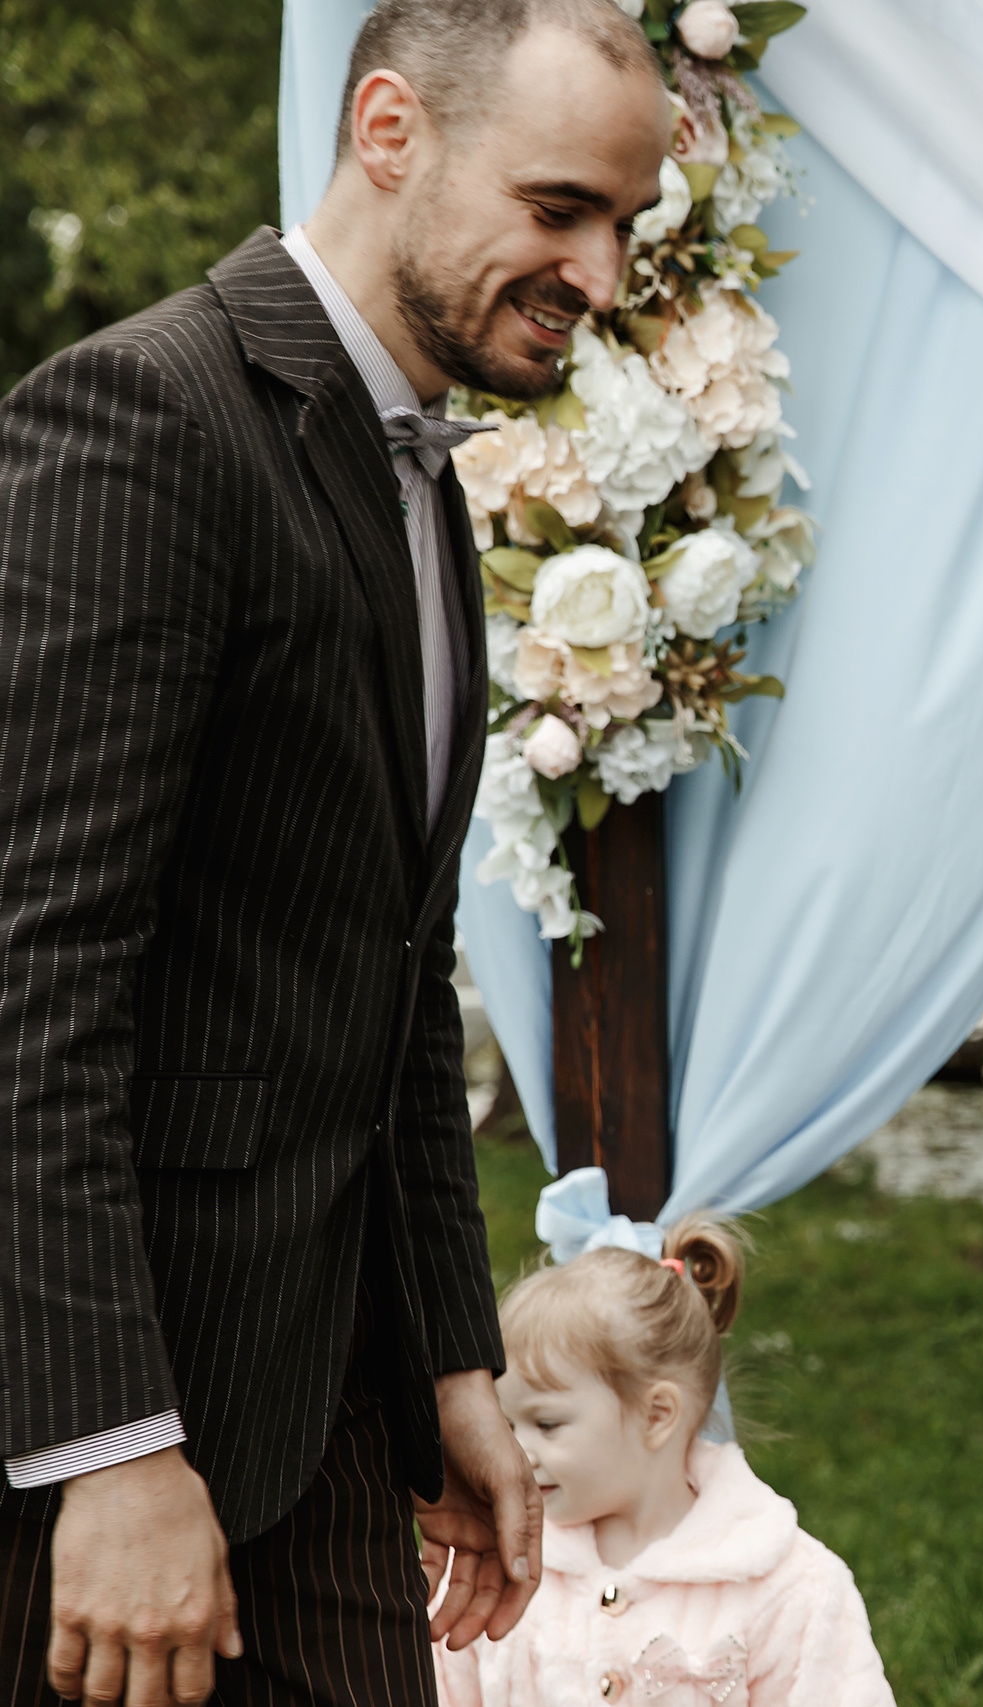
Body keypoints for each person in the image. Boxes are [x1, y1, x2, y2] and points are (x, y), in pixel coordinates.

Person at [0, 2, 672, 1702]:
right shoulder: (144, 420)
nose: (599, 272)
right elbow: (33, 981)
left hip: (327, 1414)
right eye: (559, 208)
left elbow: (387, 971)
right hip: (122, 1441)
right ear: (390, 130)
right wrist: (108, 1443)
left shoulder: (420, 476)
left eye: (624, 224)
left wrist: (447, 1354)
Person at [431, 1219, 895, 1707]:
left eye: (546, 1425)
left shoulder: (789, 1587)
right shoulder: (494, 1561)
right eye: (507, 1426)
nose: (516, 1454)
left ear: (657, 1415)